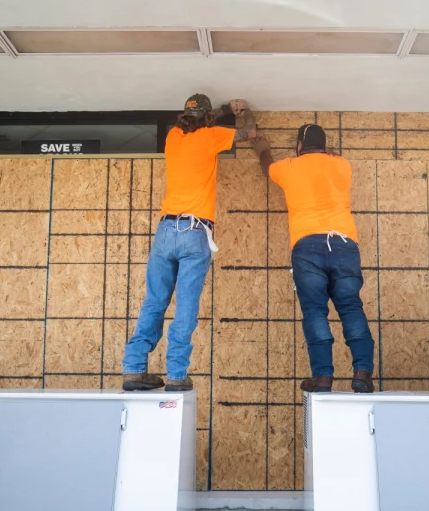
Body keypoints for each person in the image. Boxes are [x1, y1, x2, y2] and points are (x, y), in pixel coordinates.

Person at [122, 94, 255, 391]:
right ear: (208, 118)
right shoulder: (212, 136)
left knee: (154, 301)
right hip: (194, 232)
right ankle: (176, 375)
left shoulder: (172, 136)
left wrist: (218, 111)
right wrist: (243, 111)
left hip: (165, 230)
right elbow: (250, 134)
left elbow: (197, 121)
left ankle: (133, 369)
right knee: (185, 306)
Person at [251, 124, 374, 393]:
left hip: (307, 246)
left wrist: (263, 150)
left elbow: (266, 166)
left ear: (298, 147)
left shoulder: (289, 166)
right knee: (351, 307)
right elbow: (329, 157)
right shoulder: (342, 165)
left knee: (315, 311)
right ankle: (362, 373)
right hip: (344, 244)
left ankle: (322, 378)